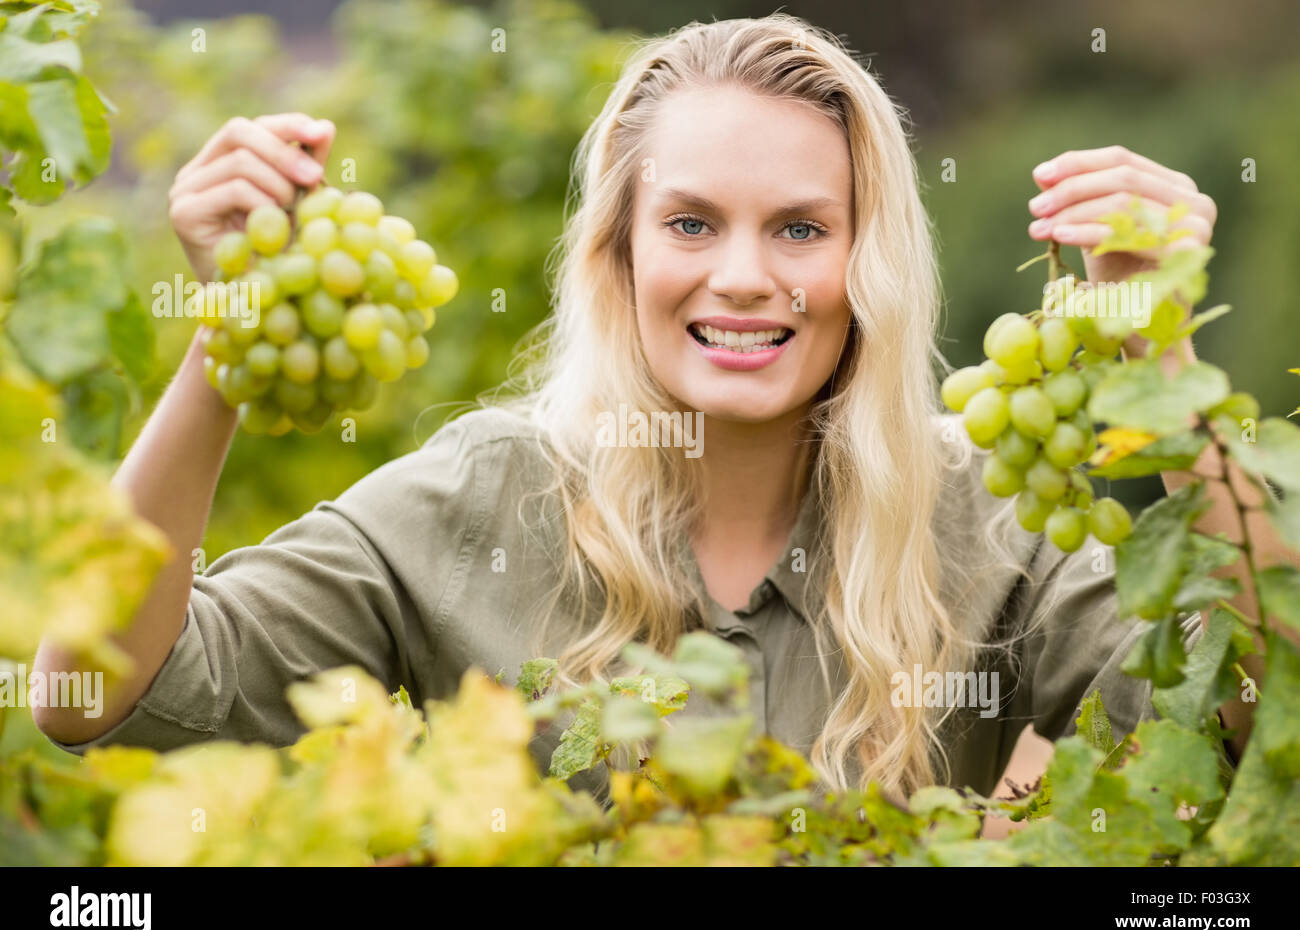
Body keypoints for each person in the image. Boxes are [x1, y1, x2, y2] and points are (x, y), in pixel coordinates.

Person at [34, 13, 1227, 803]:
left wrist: (1163, 371)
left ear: (869, 262)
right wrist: (231, 341)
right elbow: (89, 695)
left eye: (801, 227)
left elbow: (1247, 716)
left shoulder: (983, 518)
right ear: (619, 252)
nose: (746, 275)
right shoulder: (483, 496)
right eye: (692, 223)